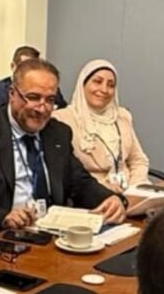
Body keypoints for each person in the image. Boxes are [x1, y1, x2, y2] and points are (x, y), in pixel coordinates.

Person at [0, 58, 125, 240]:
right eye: (34, 97)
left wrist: (108, 198)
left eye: (50, 100)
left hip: (48, 236)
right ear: (12, 94)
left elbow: (78, 180)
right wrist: (2, 216)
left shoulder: (57, 132)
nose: (42, 108)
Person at [53, 59, 150, 193]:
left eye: (111, 85)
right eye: (97, 82)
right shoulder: (62, 119)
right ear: (83, 84)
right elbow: (66, 172)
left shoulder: (122, 116)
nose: (104, 89)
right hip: (89, 195)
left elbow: (138, 160)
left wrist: (135, 187)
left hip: (129, 192)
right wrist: (101, 188)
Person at [0, 44, 67, 109]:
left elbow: (63, 111)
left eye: (33, 68)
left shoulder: (49, 90)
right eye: (24, 67)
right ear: (13, 66)